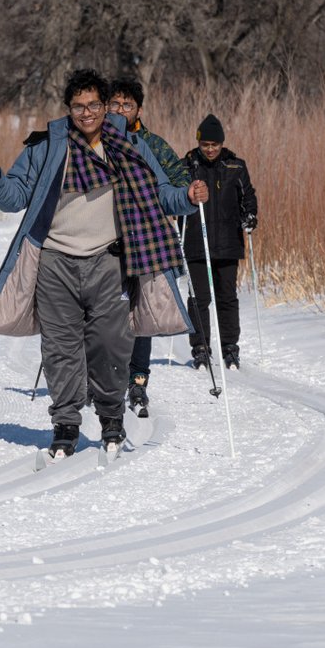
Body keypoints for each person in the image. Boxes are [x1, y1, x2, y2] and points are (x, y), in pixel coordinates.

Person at [0, 68, 206, 458]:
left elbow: (163, 193)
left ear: (104, 106)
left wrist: (188, 197)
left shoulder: (129, 145)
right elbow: (16, 196)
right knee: (60, 348)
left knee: (111, 345)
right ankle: (65, 424)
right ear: (68, 108)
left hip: (110, 261)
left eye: (94, 104)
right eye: (78, 106)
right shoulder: (48, 145)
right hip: (55, 262)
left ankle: (112, 418)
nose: (87, 113)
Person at [108, 76, 192, 419]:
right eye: (114, 104)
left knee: (141, 310)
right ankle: (102, 374)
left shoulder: (152, 145)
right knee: (104, 311)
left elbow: (178, 181)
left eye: (127, 105)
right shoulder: (94, 142)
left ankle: (138, 377)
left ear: (138, 110)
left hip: (144, 238)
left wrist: (185, 196)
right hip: (105, 240)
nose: (120, 110)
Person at [182, 113, 258, 370]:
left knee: (227, 297)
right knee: (199, 298)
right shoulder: (187, 166)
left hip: (228, 242)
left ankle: (230, 346)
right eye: (205, 145)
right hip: (196, 242)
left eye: (215, 144)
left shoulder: (236, 166)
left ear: (222, 143)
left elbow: (248, 196)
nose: (210, 149)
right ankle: (200, 347)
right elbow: (177, 195)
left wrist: (250, 216)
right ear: (199, 143)